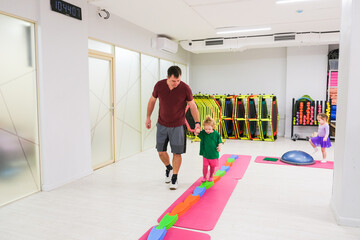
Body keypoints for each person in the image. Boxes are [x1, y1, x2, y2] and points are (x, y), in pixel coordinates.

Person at [146, 66, 200, 190]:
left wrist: (197, 123)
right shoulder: (159, 86)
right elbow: (152, 101)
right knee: (161, 152)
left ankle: (174, 177)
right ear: (167, 78)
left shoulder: (185, 88)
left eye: (178, 81)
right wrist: (148, 117)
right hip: (162, 124)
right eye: (173, 81)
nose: (176, 83)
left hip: (178, 126)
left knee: (177, 153)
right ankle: (169, 168)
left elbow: (192, 106)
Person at [196, 115, 223, 182]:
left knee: (212, 166)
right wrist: (197, 130)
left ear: (213, 127)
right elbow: (196, 133)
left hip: (213, 154)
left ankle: (211, 176)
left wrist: (219, 147)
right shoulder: (204, 133)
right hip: (206, 154)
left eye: (209, 129)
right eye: (206, 129)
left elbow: (220, 142)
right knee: (205, 166)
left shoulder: (216, 134)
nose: (207, 131)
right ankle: (204, 177)